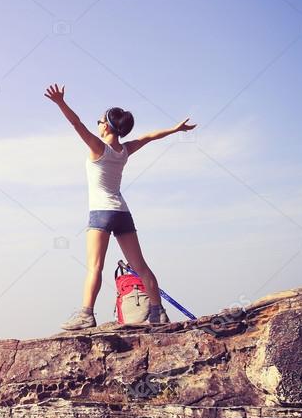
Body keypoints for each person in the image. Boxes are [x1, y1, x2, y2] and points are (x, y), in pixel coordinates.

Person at [43, 83, 196, 330]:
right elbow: (149, 137)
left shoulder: (98, 147)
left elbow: (77, 124)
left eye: (100, 121)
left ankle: (86, 314)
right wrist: (175, 129)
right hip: (123, 213)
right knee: (141, 266)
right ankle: (158, 313)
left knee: (94, 267)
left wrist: (60, 103)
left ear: (106, 125)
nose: (97, 124)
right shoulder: (124, 150)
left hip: (101, 214)